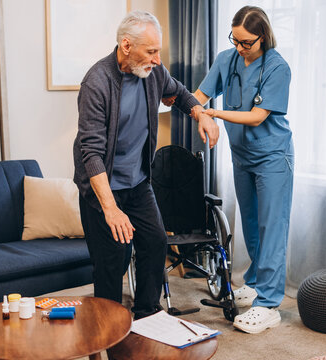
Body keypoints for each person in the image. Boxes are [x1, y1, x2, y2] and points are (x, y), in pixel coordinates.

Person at [72, 10, 219, 320]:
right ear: (127, 46)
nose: (157, 58)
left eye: (158, 51)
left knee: (154, 243)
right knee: (113, 259)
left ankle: (146, 315)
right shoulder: (97, 82)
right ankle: (108, 328)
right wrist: (111, 209)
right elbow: (92, 154)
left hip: (138, 184)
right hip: (103, 191)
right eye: (151, 51)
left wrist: (201, 115)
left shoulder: (152, 71)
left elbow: (178, 93)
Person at [192, 6, 293, 334]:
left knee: (271, 227)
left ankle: (269, 304)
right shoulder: (226, 59)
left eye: (246, 42)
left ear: (263, 37)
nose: (239, 47)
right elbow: (198, 97)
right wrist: (199, 112)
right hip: (243, 156)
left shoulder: (278, 67)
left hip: (273, 157)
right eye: (234, 39)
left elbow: (257, 115)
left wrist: (213, 114)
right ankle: (253, 283)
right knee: (250, 224)